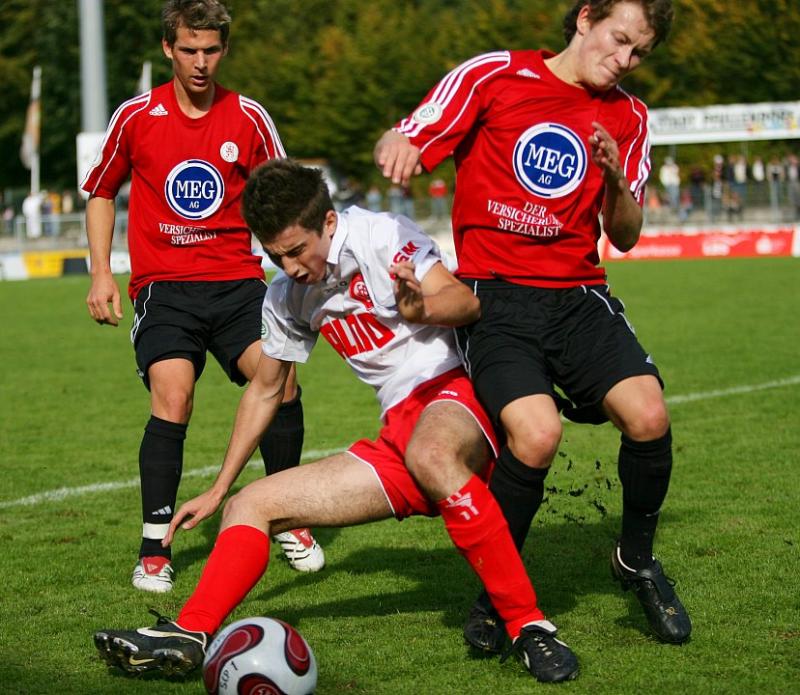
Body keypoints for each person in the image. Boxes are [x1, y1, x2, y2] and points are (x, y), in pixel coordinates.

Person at [92, 159, 579, 684]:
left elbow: (465, 300)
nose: (291, 266)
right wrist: (219, 488)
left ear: (327, 222)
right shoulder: (285, 294)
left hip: (457, 396)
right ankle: (188, 634)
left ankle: (529, 627)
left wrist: (421, 308)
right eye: (276, 255)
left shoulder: (380, 233)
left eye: (298, 250)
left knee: (431, 453)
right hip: (399, 433)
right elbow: (265, 388)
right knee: (250, 506)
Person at [374, 0, 691, 656]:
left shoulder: (629, 117)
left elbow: (625, 235)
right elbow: (412, 133)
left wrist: (611, 180)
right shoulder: (496, 75)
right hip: (496, 301)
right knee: (537, 433)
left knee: (650, 414)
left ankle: (635, 562)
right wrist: (400, 143)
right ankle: (499, 592)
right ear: (585, 18)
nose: (625, 60)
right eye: (620, 39)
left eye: (640, 53)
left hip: (578, 296)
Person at [80, 0, 324, 594]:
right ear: (168, 48)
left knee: (282, 382)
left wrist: (297, 263)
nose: (200, 62)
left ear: (224, 50)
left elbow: (285, 192)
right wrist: (101, 274)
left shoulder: (247, 116)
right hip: (164, 290)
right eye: (189, 49)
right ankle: (155, 547)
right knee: (174, 395)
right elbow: (100, 191)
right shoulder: (136, 116)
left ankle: (287, 516)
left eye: (211, 50)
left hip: (239, 286)